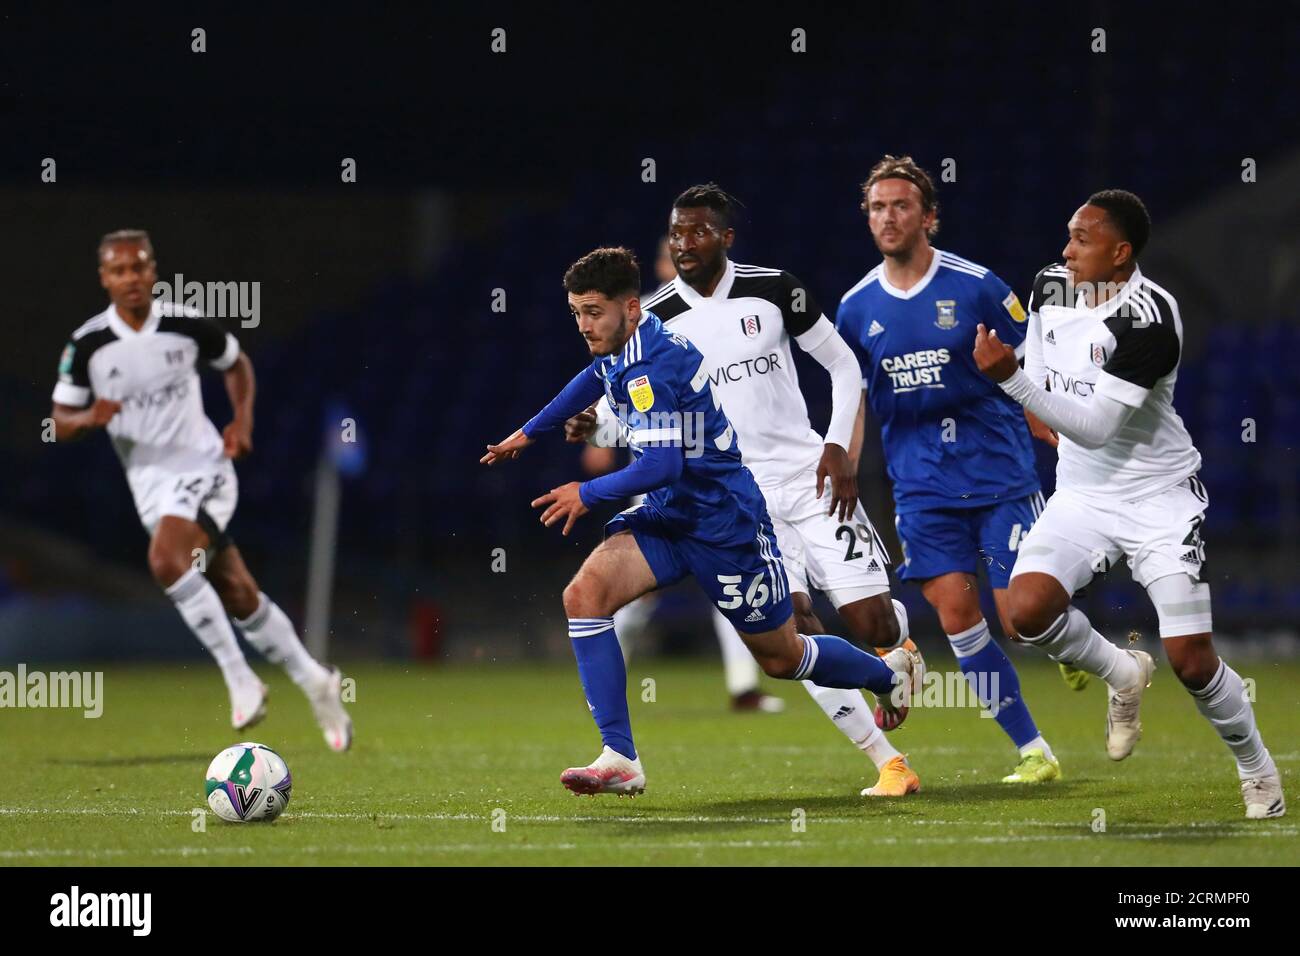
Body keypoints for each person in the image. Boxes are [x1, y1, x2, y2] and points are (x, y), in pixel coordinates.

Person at [481, 246, 920, 796]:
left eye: (594, 311)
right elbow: (591, 377)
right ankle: (620, 756)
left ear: (632, 307)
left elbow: (662, 463)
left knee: (783, 658)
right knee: (584, 596)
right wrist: (529, 432)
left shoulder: (653, 366)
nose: (584, 324)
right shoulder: (624, 344)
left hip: (724, 522)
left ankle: (888, 675)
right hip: (671, 514)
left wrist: (586, 493)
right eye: (576, 312)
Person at [974, 189, 1284, 818]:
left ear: (1119, 253)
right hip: (1083, 494)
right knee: (1025, 613)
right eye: (1068, 234)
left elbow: (1094, 427)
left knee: (1192, 661)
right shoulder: (1051, 284)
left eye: (1082, 240)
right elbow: (1040, 351)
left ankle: (1259, 773)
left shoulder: (1148, 319)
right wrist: (1030, 387)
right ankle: (1121, 671)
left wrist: (1012, 381)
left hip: (1157, 498)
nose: (1066, 249)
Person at [49, 230, 352, 751]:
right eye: (119, 271)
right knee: (236, 590)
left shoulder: (186, 324)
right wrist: (87, 418)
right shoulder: (88, 346)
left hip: (205, 465)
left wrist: (242, 422)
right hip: (150, 487)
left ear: (153, 271)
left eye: (139, 268)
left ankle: (241, 679)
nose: (131, 279)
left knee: (166, 560)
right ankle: (315, 680)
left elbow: (236, 363)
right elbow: (58, 421)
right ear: (104, 278)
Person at [837, 156, 1062, 784]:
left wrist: (1048, 422)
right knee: (960, 623)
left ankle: (1076, 642)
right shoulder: (855, 309)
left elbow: (1030, 362)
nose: (888, 217)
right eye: (877, 207)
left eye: (901, 205)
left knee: (1021, 619)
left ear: (929, 216)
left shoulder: (979, 285)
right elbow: (849, 394)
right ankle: (1033, 751)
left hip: (999, 475)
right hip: (921, 489)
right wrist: (846, 464)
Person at [578, 237, 785, 712]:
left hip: (712, 480)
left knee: (729, 590)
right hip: (659, 484)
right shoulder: (643, 320)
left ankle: (743, 687)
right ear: (657, 265)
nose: (679, 264)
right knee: (634, 595)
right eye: (670, 258)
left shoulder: (724, 317)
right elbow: (613, 383)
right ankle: (611, 675)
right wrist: (597, 431)